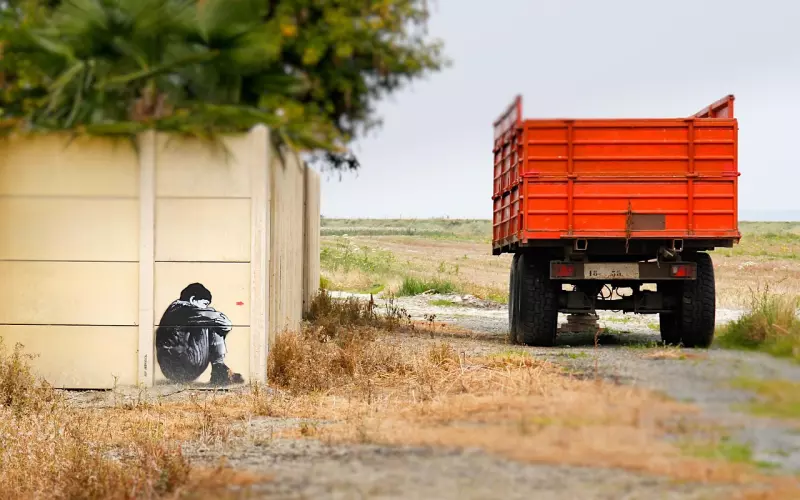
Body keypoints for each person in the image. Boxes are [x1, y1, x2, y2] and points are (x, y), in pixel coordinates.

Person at [155, 283, 244, 386]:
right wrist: (211, 312)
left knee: (208, 321)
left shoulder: (174, 309)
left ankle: (219, 369)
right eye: (205, 304)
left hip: (170, 368)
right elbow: (226, 324)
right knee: (212, 323)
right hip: (185, 365)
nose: (206, 307)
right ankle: (219, 368)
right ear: (193, 300)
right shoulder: (186, 311)